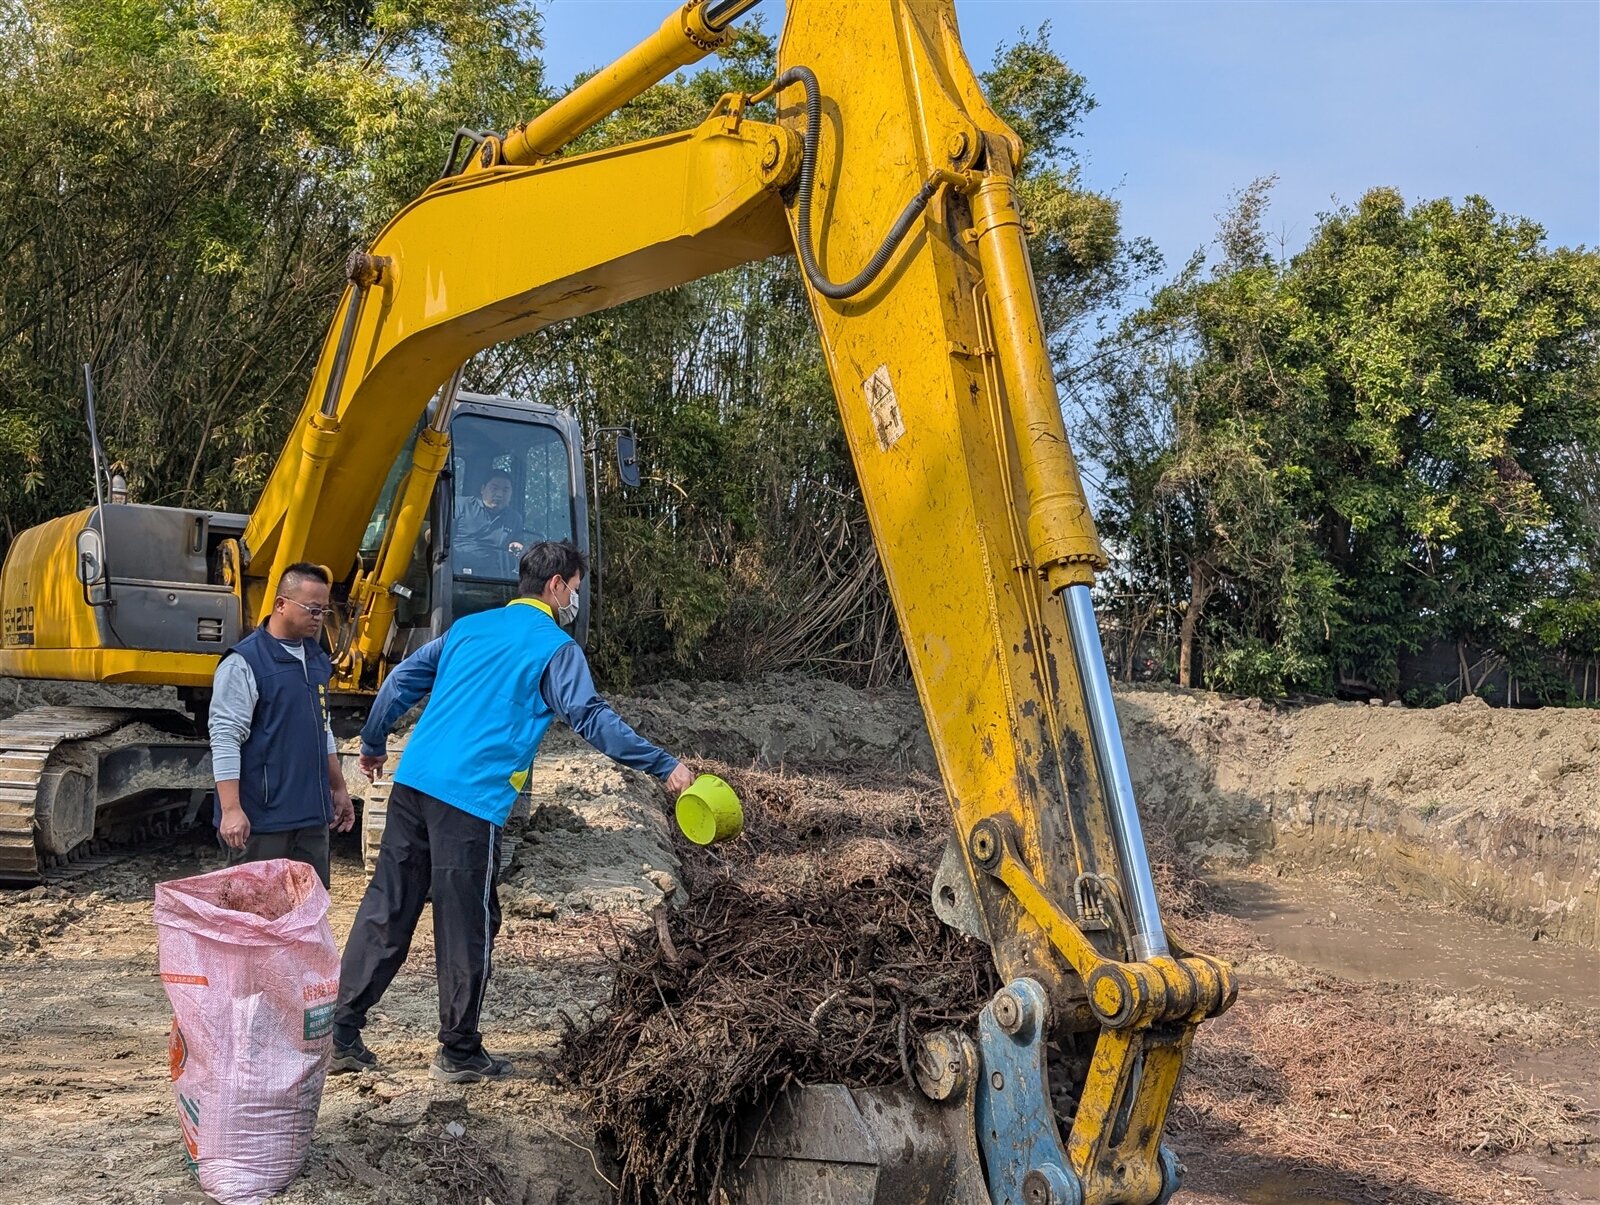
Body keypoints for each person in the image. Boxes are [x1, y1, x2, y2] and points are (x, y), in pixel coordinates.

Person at [332, 540, 696, 1082]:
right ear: (556, 586)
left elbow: (400, 681)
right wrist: (663, 765)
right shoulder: (555, 647)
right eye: (574, 588)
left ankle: (341, 1034)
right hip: (469, 801)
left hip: (414, 783)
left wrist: (374, 739)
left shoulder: (467, 629)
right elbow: (590, 718)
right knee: (467, 923)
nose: (574, 598)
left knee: (389, 906)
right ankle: (458, 1051)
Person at [208, 562, 356, 888]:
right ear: (281, 604)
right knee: (257, 916)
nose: (319, 617)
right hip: (262, 822)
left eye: (324, 610)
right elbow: (225, 737)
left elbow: (323, 727)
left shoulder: (317, 661)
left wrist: (338, 788)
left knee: (306, 917)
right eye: (312, 608)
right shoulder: (245, 662)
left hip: (310, 820)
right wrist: (232, 809)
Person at [453, 468, 526, 574]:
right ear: (482, 489)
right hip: (458, 575)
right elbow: (439, 536)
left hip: (497, 578)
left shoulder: (515, 519)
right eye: (494, 488)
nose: (500, 494)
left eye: (505, 490)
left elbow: (517, 547)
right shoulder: (460, 505)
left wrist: (518, 548)